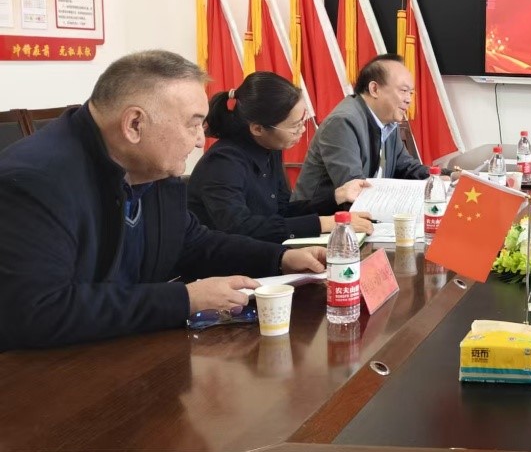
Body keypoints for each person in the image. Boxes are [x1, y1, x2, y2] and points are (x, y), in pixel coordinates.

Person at [0, 50, 327, 351]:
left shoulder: (147, 163)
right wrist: (184, 299)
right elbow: (37, 311)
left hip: (128, 351)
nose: (200, 141)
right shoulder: (35, 182)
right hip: (51, 372)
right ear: (135, 124)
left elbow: (192, 242)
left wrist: (280, 258)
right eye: (193, 124)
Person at [188, 72, 374, 243]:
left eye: (302, 120)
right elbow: (240, 227)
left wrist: (336, 197)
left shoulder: (270, 147)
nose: (302, 129)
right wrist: (325, 223)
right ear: (258, 128)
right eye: (294, 125)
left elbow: (281, 210)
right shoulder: (223, 162)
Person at [293, 54, 429, 205]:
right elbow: (354, 189)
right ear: (374, 89)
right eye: (403, 91)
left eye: (411, 93)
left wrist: (439, 177)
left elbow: (406, 167)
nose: (409, 99)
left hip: (366, 210)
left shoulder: (387, 120)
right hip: (322, 215)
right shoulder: (342, 122)